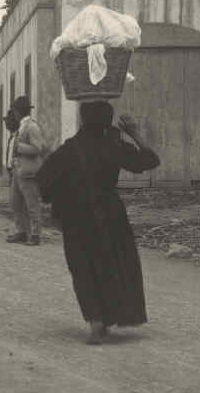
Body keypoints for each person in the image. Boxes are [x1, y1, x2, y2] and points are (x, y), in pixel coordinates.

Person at [36, 101, 160, 344]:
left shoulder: (69, 149)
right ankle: (110, 315)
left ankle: (95, 321)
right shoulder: (113, 146)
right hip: (110, 215)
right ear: (108, 121)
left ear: (82, 120)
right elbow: (149, 160)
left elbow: (44, 184)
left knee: (83, 267)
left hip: (76, 216)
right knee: (112, 264)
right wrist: (134, 134)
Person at [6, 95, 48, 245]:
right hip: (19, 170)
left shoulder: (31, 127)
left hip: (28, 171)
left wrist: (19, 148)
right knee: (15, 202)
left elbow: (39, 148)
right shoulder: (23, 126)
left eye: (15, 110)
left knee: (32, 204)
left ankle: (36, 235)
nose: (14, 113)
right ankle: (21, 232)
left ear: (18, 111)